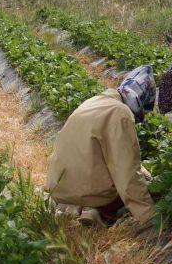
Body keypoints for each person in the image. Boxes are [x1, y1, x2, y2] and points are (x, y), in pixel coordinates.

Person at [46, 65, 157, 227]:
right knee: (142, 186)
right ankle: (95, 211)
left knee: (141, 174)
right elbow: (127, 173)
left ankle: (76, 208)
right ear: (141, 99)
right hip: (85, 194)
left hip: (58, 187)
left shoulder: (95, 101)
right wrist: (149, 216)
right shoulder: (121, 113)